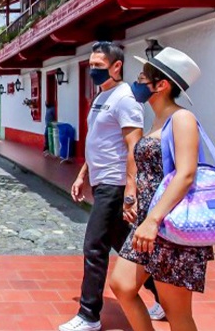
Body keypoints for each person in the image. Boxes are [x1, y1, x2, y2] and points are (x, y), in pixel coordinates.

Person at [110, 47, 213, 331]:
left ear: (161, 85)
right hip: (148, 223)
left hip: (171, 226)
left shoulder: (182, 119)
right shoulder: (157, 120)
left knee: (176, 311)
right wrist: (135, 200)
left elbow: (186, 174)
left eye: (142, 78)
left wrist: (153, 220)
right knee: (121, 285)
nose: (137, 83)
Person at [60, 42, 161, 331]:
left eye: (98, 66)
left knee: (94, 246)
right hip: (101, 180)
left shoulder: (125, 98)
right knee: (125, 245)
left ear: (117, 66)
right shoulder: (101, 96)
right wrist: (82, 175)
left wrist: (131, 191)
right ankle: (165, 297)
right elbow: (97, 141)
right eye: (91, 65)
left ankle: (89, 315)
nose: (93, 70)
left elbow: (134, 147)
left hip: (115, 184)